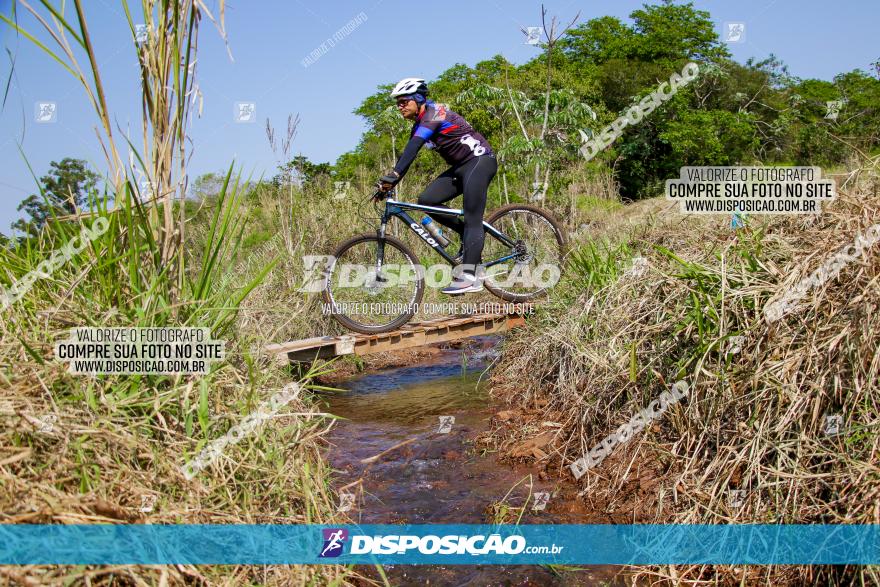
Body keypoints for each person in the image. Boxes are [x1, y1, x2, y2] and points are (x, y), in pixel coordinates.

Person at [377, 77, 497, 295]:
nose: (400, 106)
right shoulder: (419, 123)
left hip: (480, 161)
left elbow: (413, 148)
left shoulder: (436, 113)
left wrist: (394, 175)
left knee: (472, 217)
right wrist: (388, 183)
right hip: (461, 167)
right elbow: (407, 154)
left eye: (404, 101)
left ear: (419, 98)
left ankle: (471, 276)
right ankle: (467, 235)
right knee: (428, 201)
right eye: (398, 103)